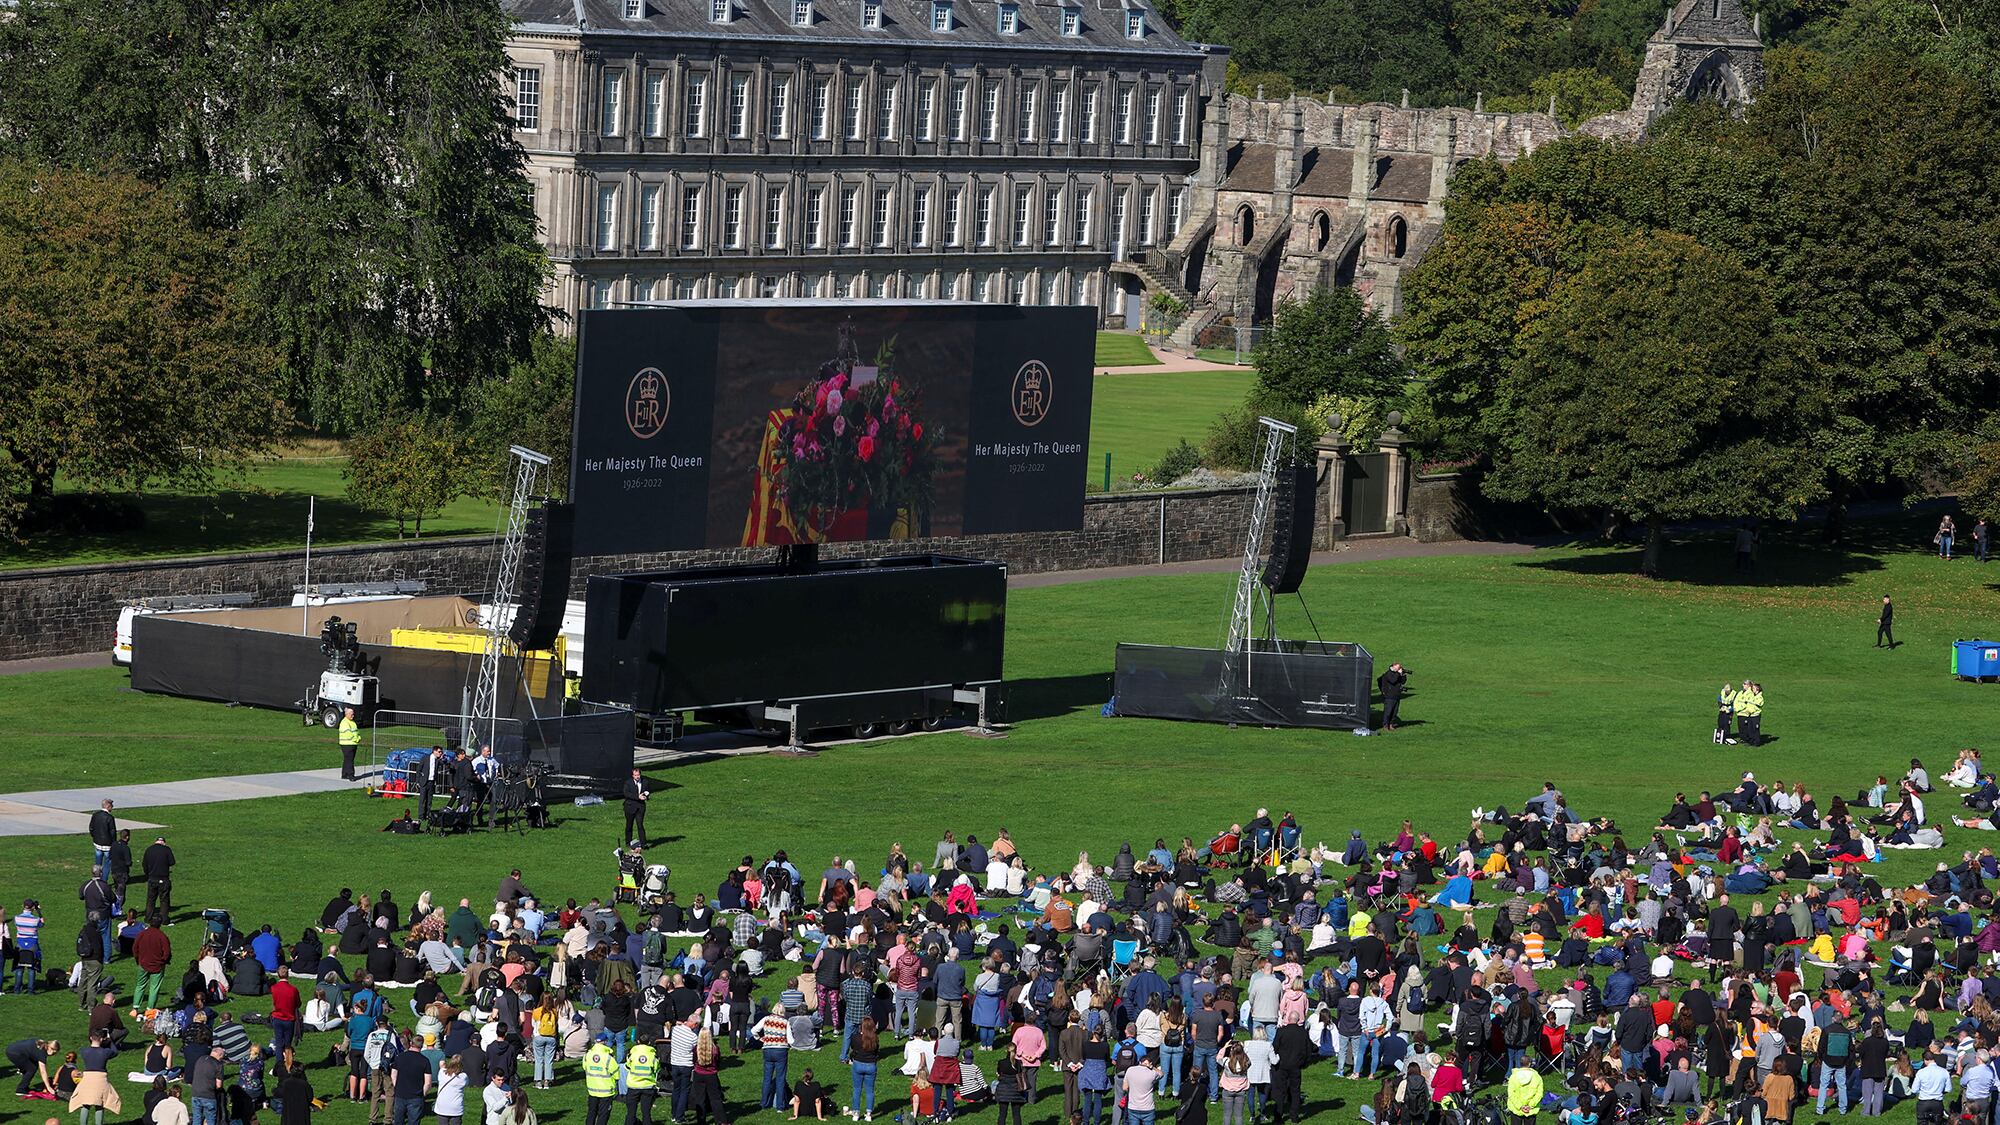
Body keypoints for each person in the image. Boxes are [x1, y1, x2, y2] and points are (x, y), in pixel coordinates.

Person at [583, 1036, 619, 1125]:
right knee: (603, 1115)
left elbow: (585, 1067)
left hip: (592, 1090)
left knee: (591, 1112)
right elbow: (617, 1074)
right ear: (605, 1042)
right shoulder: (608, 1057)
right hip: (606, 1091)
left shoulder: (588, 1054)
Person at [143, 836, 176, 926]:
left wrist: (148, 874)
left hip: (152, 878)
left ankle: (148, 918)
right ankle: (164, 920)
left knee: (150, 900)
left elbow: (144, 864)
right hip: (163, 878)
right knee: (164, 900)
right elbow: (172, 862)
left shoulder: (149, 850)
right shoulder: (166, 850)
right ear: (164, 842)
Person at [622, 771, 650, 848]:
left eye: (638, 775)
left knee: (640, 825)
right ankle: (628, 842)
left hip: (640, 807)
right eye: (635, 775)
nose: (637, 777)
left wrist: (645, 796)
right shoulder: (628, 783)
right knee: (629, 825)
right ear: (633, 776)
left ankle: (643, 843)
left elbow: (648, 791)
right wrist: (638, 797)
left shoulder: (645, 781)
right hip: (630, 807)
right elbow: (626, 794)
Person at [1377, 664, 1408, 732]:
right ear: (1394, 667)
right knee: (1388, 712)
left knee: (1394, 712)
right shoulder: (1388, 674)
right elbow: (1393, 680)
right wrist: (1398, 673)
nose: (1400, 668)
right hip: (1389, 696)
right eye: (1398, 667)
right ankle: (1385, 725)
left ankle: (1391, 724)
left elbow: (1403, 682)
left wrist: (1403, 675)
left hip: (1396, 696)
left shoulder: (1397, 674)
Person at [338, 708, 361, 781]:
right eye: (351, 714)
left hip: (352, 743)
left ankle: (345, 774)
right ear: (346, 714)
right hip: (347, 744)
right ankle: (351, 775)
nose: (353, 716)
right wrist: (357, 739)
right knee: (350, 760)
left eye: (353, 714)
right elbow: (348, 734)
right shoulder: (344, 722)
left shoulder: (352, 722)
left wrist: (358, 737)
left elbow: (356, 732)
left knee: (347, 759)